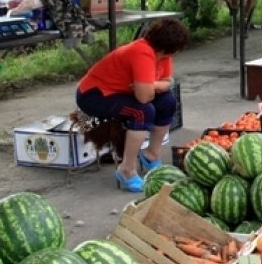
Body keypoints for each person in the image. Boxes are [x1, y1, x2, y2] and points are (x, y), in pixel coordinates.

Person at [76, 18, 190, 192]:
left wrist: (151, 85)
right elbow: (144, 98)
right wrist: (149, 88)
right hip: (94, 95)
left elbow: (167, 83)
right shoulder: (142, 53)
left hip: (123, 92)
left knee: (168, 101)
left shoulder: (163, 55)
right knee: (142, 112)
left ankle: (152, 154)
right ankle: (127, 169)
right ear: (173, 48)